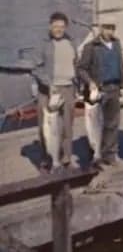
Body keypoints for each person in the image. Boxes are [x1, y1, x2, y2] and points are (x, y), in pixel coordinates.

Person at [31, 12, 77, 172]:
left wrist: (77, 85)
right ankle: (46, 159)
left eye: (62, 27)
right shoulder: (43, 43)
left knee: (67, 126)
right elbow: (36, 68)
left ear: (66, 27)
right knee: (46, 126)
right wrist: (49, 84)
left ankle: (67, 158)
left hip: (68, 89)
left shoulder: (71, 42)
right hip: (48, 90)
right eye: (55, 26)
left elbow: (75, 64)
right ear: (50, 26)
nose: (58, 29)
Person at [76, 17, 123, 169]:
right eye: (106, 27)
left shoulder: (116, 44)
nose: (109, 31)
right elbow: (81, 68)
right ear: (101, 28)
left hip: (114, 88)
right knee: (95, 125)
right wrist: (90, 82)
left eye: (112, 28)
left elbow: (120, 66)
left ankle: (110, 154)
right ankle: (95, 157)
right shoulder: (91, 46)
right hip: (98, 90)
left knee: (112, 123)